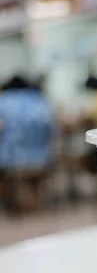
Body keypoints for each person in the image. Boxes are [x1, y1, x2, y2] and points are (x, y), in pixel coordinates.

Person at [0, 75, 54, 211]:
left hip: (10, 161)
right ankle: (34, 198)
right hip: (42, 159)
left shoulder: (4, 101)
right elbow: (51, 130)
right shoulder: (39, 100)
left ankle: (11, 201)